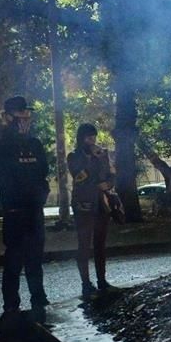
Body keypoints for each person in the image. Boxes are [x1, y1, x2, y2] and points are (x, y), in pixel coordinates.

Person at [0, 96, 50, 323]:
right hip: (14, 212)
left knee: (35, 259)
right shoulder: (0, 146)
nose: (24, 120)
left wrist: (41, 192)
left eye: (27, 116)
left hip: (34, 211)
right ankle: (11, 305)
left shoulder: (35, 144)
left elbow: (43, 171)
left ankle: (38, 297)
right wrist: (16, 188)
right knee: (14, 260)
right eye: (19, 116)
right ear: (8, 118)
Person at [68, 123, 117, 298]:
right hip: (84, 205)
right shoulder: (73, 156)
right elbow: (79, 175)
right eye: (88, 137)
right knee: (84, 245)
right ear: (81, 139)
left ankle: (102, 280)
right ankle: (85, 283)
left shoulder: (103, 155)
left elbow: (112, 174)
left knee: (100, 245)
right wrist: (91, 159)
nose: (92, 141)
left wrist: (109, 183)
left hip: (101, 203)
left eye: (94, 137)